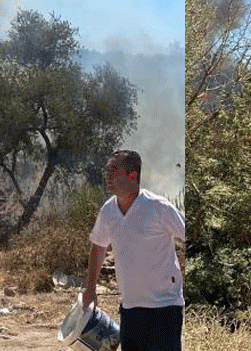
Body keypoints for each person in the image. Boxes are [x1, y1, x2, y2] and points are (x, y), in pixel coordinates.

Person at [83, 149, 185, 351]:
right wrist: (91, 289)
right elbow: (98, 247)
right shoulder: (108, 211)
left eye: (114, 171)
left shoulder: (158, 207)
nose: (108, 176)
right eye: (107, 171)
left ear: (133, 176)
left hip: (164, 307)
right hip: (130, 309)